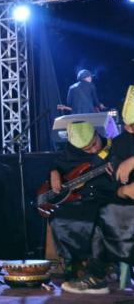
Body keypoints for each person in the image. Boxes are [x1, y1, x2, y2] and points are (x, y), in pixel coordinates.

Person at [62, 86, 134, 294]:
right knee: (104, 210)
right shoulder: (119, 144)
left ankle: (98, 274)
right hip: (126, 205)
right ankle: (96, 275)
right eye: (129, 126)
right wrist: (123, 191)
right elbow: (118, 185)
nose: (130, 129)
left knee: (109, 213)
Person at [48, 121, 115, 283]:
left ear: (96, 134)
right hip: (81, 199)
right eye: (87, 149)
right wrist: (54, 172)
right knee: (58, 217)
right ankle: (73, 263)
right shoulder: (72, 151)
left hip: (105, 197)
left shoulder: (113, 148)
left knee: (98, 219)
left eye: (94, 144)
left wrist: (116, 173)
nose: (93, 150)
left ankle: (96, 266)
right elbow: (57, 163)